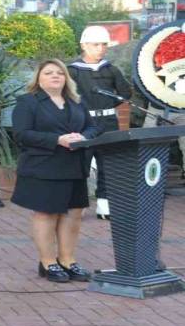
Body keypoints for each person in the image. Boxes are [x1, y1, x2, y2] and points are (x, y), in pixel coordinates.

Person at [11, 60, 98, 283]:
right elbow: (21, 134)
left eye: (60, 72)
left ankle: (68, 260)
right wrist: (56, 140)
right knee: (46, 213)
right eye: (48, 72)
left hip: (74, 166)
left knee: (73, 214)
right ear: (38, 79)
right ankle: (48, 262)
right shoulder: (28, 102)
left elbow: (92, 127)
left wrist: (84, 137)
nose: (55, 76)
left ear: (66, 78)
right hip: (43, 167)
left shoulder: (76, 101)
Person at [66, 26, 131, 220]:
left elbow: (124, 93)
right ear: (84, 45)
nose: (100, 48)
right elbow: (67, 96)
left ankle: (104, 205)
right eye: (95, 44)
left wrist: (107, 104)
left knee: (108, 164)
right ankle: (78, 204)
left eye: (104, 44)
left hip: (109, 121)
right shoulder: (72, 71)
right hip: (84, 123)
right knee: (81, 163)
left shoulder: (111, 69)